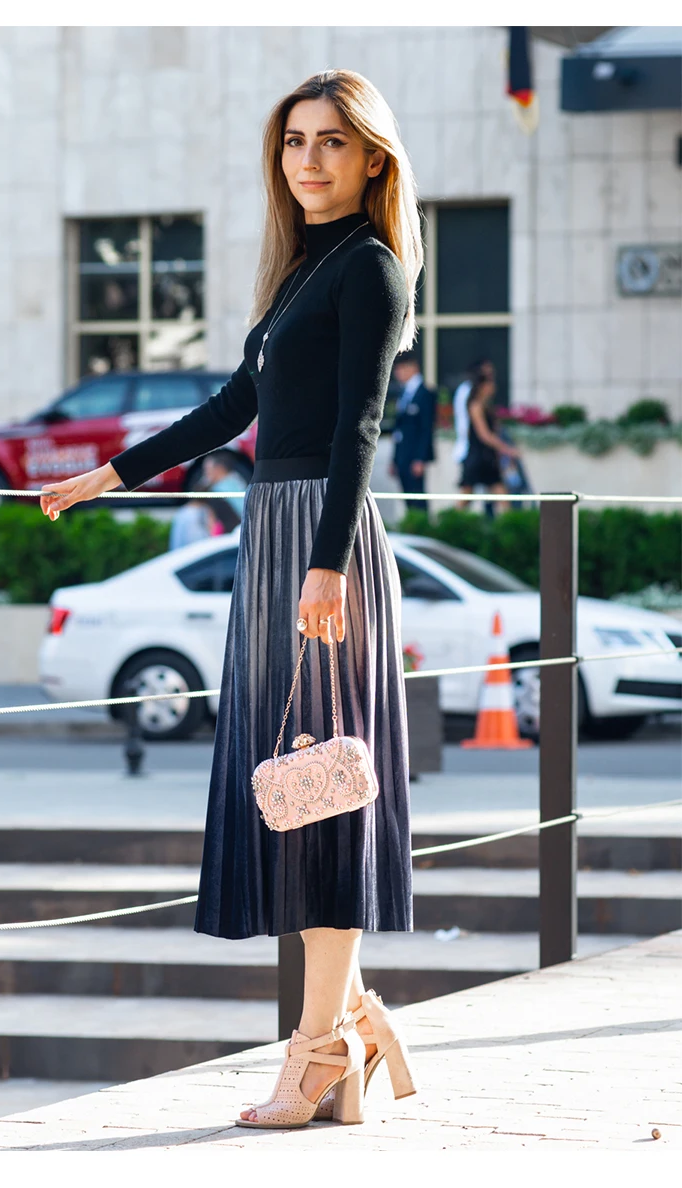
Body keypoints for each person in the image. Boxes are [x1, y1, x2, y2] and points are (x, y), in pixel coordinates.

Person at [39, 69, 422, 1130]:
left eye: (332, 142)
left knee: (327, 794)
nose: (308, 158)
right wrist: (106, 475)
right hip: (275, 541)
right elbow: (229, 409)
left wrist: (328, 564)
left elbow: (356, 431)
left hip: (320, 545)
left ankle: (318, 1051)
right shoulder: (303, 271)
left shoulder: (374, 270)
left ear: (372, 158)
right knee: (291, 781)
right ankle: (350, 1028)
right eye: (296, 140)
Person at [458, 370, 520, 514]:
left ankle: (509, 526)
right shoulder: (475, 406)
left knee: (501, 494)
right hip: (477, 457)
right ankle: (450, 525)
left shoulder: (486, 406)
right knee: (466, 496)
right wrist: (508, 449)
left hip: (488, 457)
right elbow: (484, 435)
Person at [388, 350, 437, 515]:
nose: (398, 373)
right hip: (403, 452)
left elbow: (426, 429)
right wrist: (394, 458)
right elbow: (399, 429)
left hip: (415, 454)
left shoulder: (425, 393)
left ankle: (422, 527)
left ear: (413, 367)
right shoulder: (403, 393)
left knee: (417, 495)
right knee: (407, 495)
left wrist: (420, 458)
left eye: (401, 368)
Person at [452, 357, 494, 480]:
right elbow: (468, 423)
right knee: (467, 491)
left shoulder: (476, 393)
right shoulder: (468, 392)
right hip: (472, 449)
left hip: (479, 450)